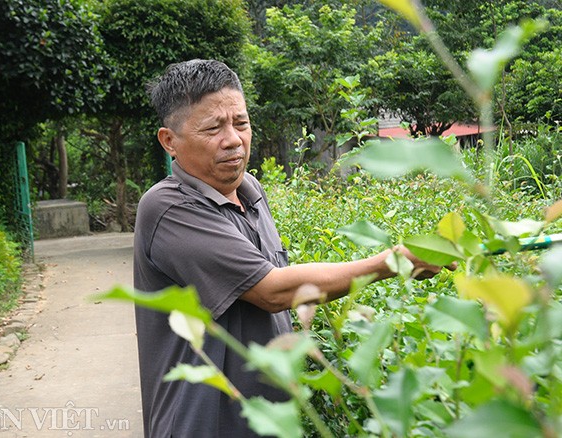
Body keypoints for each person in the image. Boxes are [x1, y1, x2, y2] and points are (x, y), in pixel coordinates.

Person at [134, 59, 450, 437]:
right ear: (170, 141)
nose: (233, 139)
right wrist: (393, 262)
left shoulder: (250, 192)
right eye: (213, 128)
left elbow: (278, 296)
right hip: (202, 426)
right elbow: (273, 291)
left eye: (241, 123)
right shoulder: (168, 207)